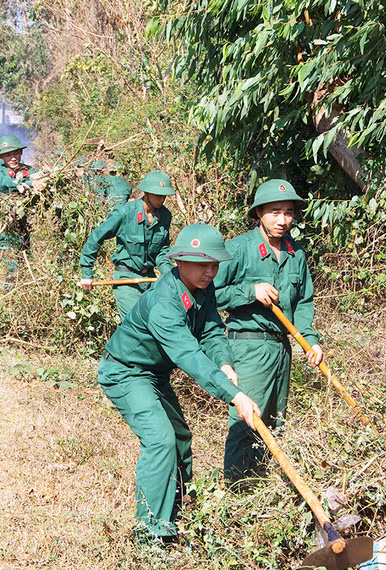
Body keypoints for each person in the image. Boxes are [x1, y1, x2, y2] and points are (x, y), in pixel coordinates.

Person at [98, 223, 260, 543]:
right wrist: (234, 395)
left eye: (214, 264)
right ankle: (152, 535)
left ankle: (182, 507)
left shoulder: (203, 287)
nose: (210, 272)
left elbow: (212, 330)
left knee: (180, 436)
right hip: (125, 372)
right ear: (179, 262)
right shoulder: (164, 304)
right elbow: (189, 355)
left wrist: (224, 362)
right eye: (202, 264)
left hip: (154, 373)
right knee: (160, 440)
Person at [213, 179, 324, 481]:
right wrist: (250, 291)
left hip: (281, 349)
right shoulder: (238, 248)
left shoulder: (295, 254)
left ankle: (262, 490)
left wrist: (310, 342)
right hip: (248, 347)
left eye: (288, 213)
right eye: (275, 212)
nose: (283, 220)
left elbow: (303, 303)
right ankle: (237, 492)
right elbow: (209, 294)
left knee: (275, 425)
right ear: (259, 212)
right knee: (248, 422)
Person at [78, 171, 175, 320]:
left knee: (158, 322)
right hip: (126, 278)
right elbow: (96, 238)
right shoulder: (124, 213)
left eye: (165, 195)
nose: (162, 199)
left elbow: (162, 250)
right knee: (135, 325)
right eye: (158, 194)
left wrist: (168, 274)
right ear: (147, 192)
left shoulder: (165, 216)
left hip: (149, 278)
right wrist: (86, 273)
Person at [0, 135, 43, 278]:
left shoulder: (28, 170)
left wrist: (41, 181)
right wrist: (31, 184)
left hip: (22, 224)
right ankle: (10, 295)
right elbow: (5, 183)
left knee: (27, 259)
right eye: (8, 155)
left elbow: (38, 177)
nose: (13, 158)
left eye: (16, 153)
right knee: (11, 267)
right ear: (1, 157)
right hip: (3, 226)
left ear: (21, 153)